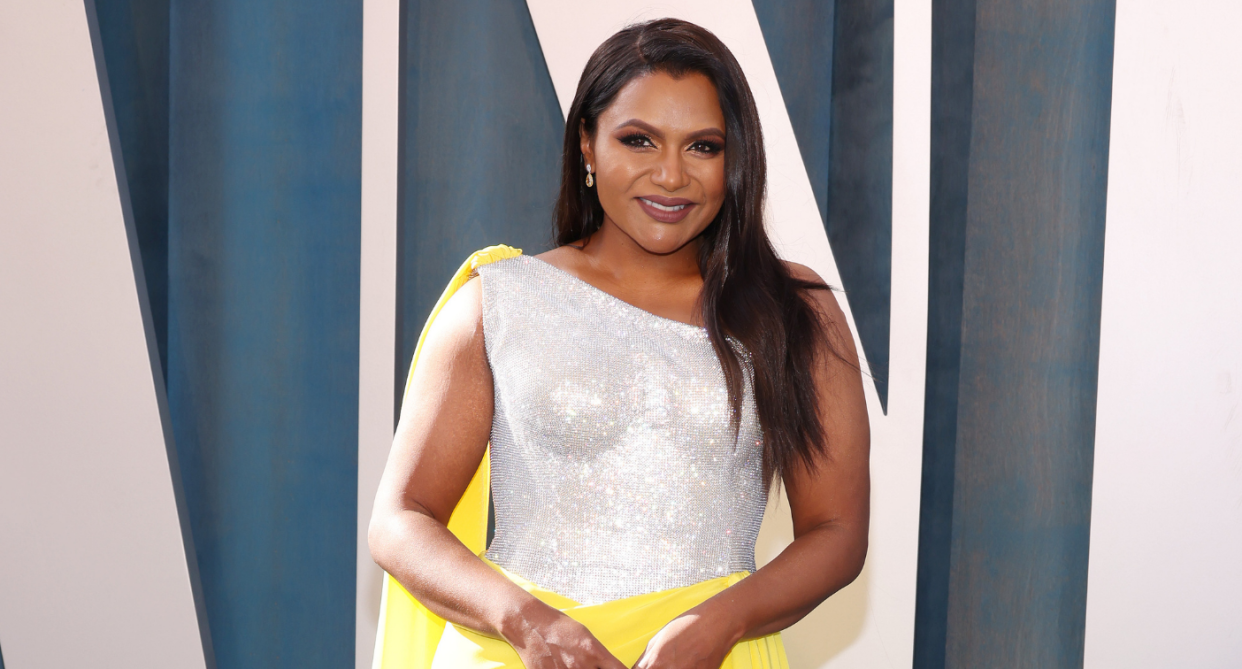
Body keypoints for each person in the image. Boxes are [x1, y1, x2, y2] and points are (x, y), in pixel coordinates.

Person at [369, 18, 870, 669]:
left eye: (703, 147)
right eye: (639, 140)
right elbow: (401, 518)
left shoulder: (792, 309)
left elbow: (837, 532)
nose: (669, 175)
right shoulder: (496, 303)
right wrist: (529, 623)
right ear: (586, 144)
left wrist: (719, 622)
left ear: (736, 159)